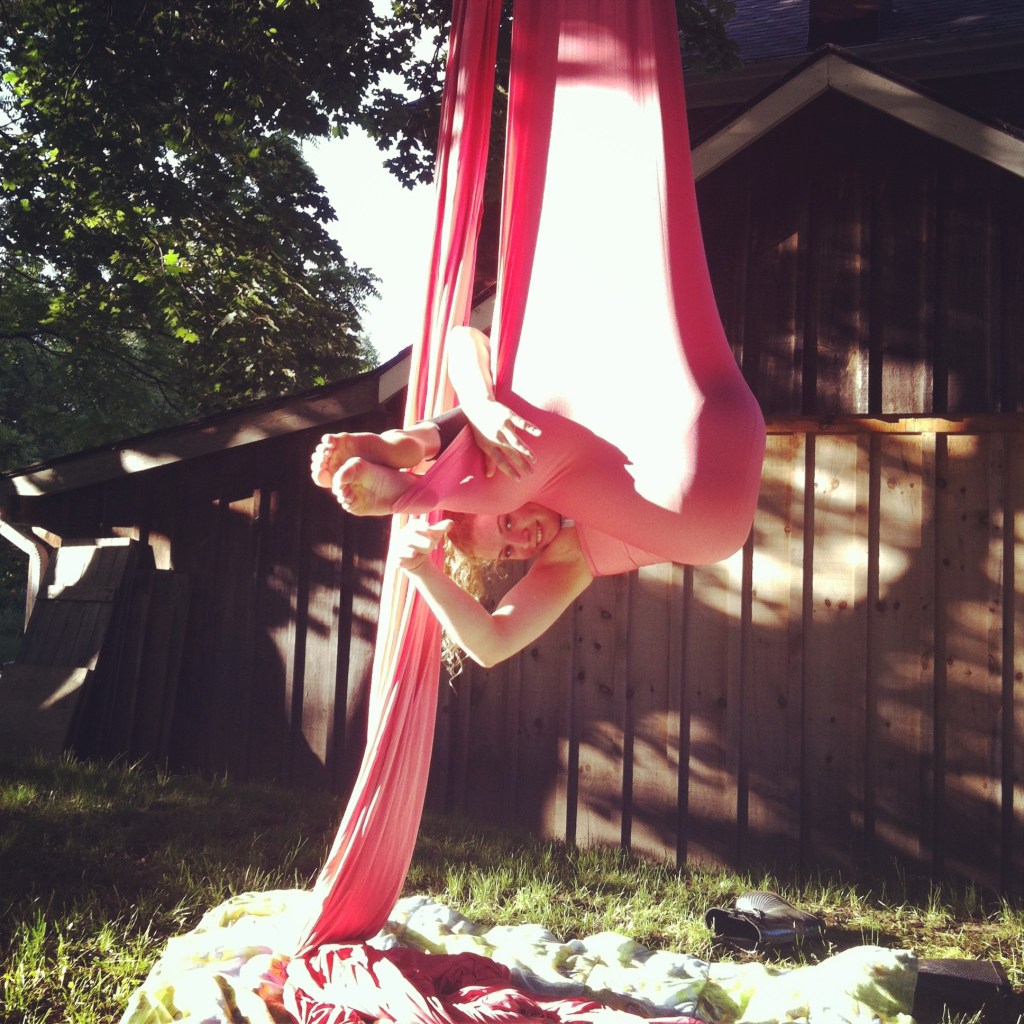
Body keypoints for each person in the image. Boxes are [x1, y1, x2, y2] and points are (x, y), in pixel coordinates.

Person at [312, 325, 764, 668]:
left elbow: (462, 334)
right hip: (708, 523)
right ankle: (412, 483)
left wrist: (479, 404)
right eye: (511, 553)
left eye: (508, 525)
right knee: (517, 452)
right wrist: (420, 573)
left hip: (716, 415)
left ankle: (404, 450)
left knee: (506, 425)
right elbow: (492, 646)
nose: (525, 542)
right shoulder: (568, 559)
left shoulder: (558, 439)